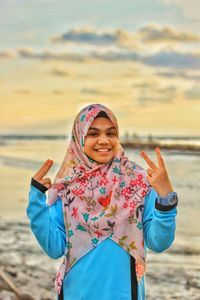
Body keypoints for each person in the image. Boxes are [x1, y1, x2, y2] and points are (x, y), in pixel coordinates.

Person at [26, 103, 178, 300]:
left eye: (111, 133)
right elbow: (54, 247)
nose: (104, 140)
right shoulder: (67, 188)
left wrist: (166, 198)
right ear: (79, 138)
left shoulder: (139, 184)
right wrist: (36, 199)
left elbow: (158, 242)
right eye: (93, 133)